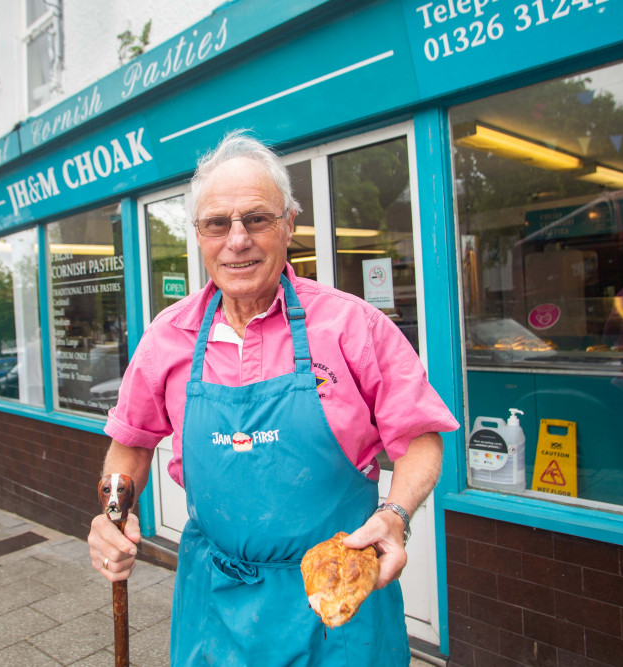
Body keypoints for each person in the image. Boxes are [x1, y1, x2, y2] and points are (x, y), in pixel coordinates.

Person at [87, 131, 459, 666]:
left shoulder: (353, 325)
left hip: (338, 605)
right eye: (217, 223)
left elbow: (419, 435)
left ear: (288, 225)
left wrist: (395, 515)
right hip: (214, 605)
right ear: (199, 235)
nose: (237, 240)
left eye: (256, 219)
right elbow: (131, 445)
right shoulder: (167, 337)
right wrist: (113, 518)